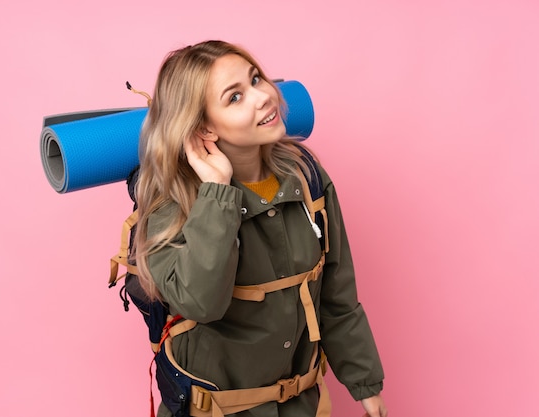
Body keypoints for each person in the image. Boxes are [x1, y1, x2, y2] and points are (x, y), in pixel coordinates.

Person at [130, 40, 387, 417]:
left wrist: (366, 385)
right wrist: (217, 195)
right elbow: (202, 303)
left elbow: (336, 295)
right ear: (205, 129)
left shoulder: (307, 179)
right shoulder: (173, 204)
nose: (263, 96)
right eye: (235, 97)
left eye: (255, 80)